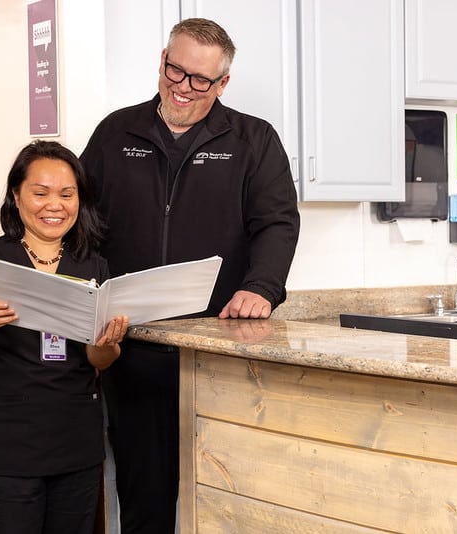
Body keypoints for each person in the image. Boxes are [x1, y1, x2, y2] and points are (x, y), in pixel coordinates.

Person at [79, 17, 301, 533]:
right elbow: (82, 222)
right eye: (174, 70)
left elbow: (277, 222)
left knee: (225, 486)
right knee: (142, 486)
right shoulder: (117, 133)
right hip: (132, 345)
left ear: (223, 83)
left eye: (200, 79)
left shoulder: (252, 140)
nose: (183, 87)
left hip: (216, 346)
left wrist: (260, 287)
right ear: (162, 60)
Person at [0, 140, 130, 533]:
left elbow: (100, 361)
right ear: (16, 195)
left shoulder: (93, 265)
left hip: (74, 445)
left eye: (66, 194)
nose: (54, 205)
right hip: (3, 449)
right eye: (40, 193)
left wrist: (107, 341)